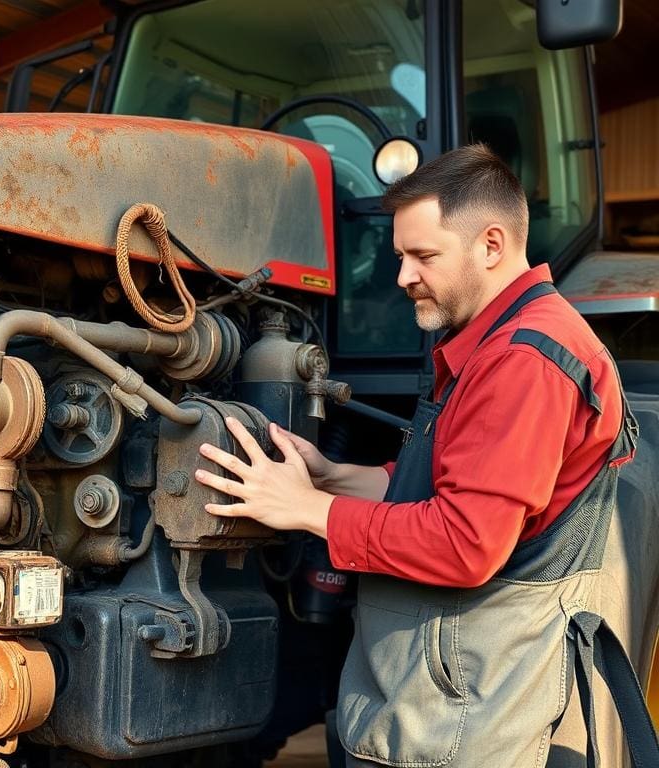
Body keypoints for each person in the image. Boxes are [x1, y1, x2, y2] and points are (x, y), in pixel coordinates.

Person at [195, 144, 657, 767]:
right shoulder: (493, 338)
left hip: (470, 714)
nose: (402, 276)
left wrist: (312, 512)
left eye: (423, 256)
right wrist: (334, 479)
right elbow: (453, 481)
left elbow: (467, 542)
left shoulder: (525, 360)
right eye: (400, 256)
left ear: (492, 244)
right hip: (449, 697)